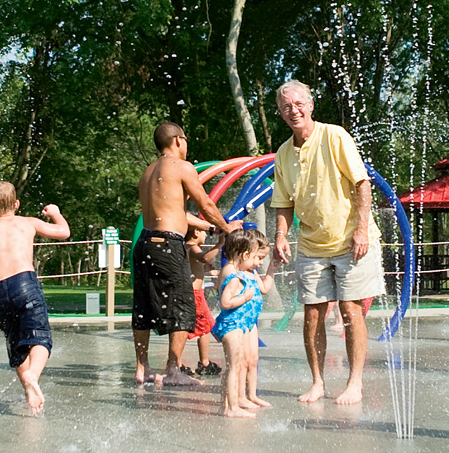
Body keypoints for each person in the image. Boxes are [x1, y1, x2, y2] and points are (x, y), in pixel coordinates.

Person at [269, 80, 384, 405]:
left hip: (351, 242)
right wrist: (280, 235)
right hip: (311, 245)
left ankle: (355, 383)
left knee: (350, 310)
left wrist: (361, 230)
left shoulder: (334, 136)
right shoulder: (283, 153)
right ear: (281, 114)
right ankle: (318, 382)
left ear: (311, 104)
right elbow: (283, 202)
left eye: (298, 104)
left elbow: (362, 184)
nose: (293, 111)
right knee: (313, 315)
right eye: (286, 107)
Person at [134, 121, 241, 386]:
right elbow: (204, 202)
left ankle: (142, 367)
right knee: (183, 305)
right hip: (169, 245)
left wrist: (206, 226)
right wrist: (226, 228)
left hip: (145, 243)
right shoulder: (182, 167)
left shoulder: (148, 173)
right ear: (178, 140)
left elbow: (171, 212)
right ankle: (173, 370)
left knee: (143, 305)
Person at [0, 181, 70, 415]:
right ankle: (32, 375)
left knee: (15, 342)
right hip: (24, 283)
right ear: (16, 204)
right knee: (41, 338)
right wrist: (55, 214)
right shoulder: (28, 223)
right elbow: (64, 232)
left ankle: (28, 388)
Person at [213, 229, 275, 417]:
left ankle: (228, 405)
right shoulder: (234, 275)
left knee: (236, 365)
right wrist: (245, 296)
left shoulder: (235, 271)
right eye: (255, 257)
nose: (258, 263)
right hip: (234, 323)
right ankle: (232, 407)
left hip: (242, 322)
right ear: (245, 254)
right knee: (234, 367)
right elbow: (225, 303)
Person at [182, 218, 224, 376]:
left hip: (193, 293)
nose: (206, 236)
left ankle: (178, 361)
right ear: (196, 232)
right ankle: (204, 362)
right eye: (205, 232)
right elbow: (204, 258)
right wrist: (219, 245)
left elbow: (195, 268)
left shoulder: (185, 247)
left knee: (187, 329)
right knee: (205, 328)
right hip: (195, 295)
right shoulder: (193, 247)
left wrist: (207, 271)